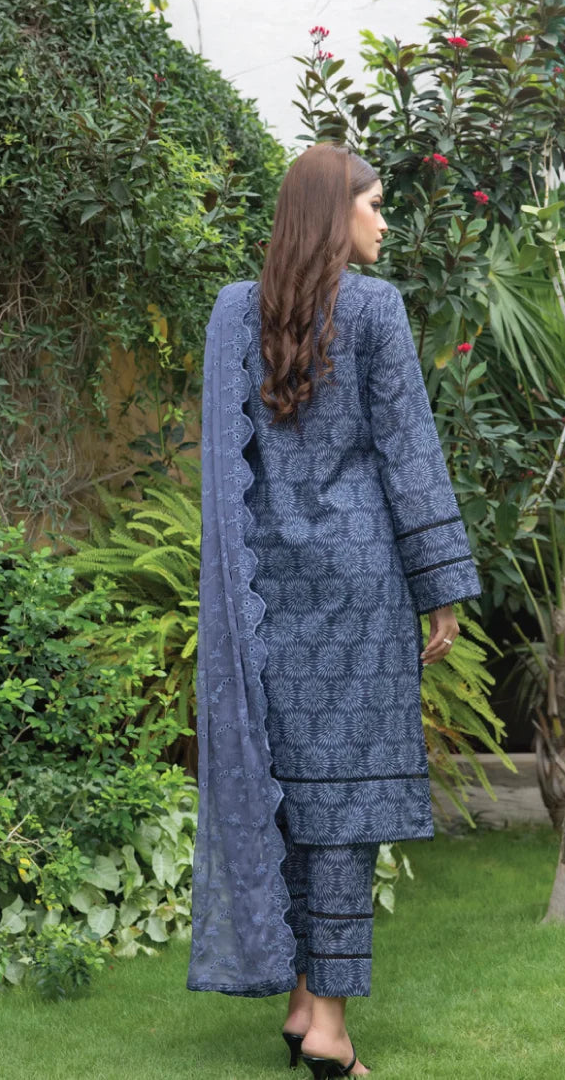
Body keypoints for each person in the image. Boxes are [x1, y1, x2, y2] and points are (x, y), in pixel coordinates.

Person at [186, 143, 482, 1078]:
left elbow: (223, 467)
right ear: (333, 212)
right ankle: (330, 1031)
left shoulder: (234, 312)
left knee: (288, 794)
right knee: (344, 809)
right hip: (358, 590)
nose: (383, 222)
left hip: (263, 594)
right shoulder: (375, 309)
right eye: (374, 204)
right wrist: (440, 586)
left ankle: (301, 1000)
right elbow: (408, 450)